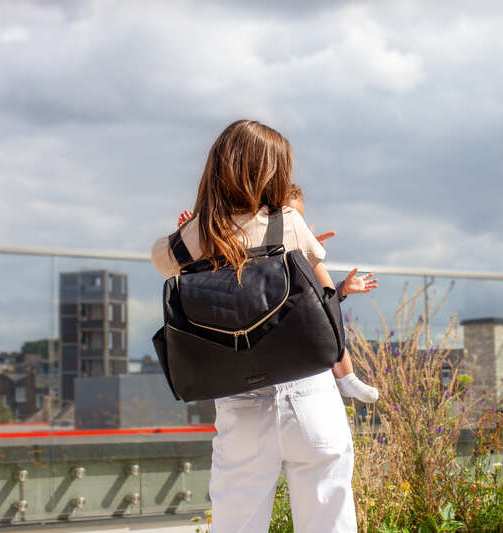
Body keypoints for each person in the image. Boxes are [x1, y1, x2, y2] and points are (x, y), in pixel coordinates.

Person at [151, 120, 357, 532]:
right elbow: (325, 293)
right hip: (309, 396)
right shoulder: (289, 223)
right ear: (270, 172)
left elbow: (163, 259)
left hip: (240, 404)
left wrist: (192, 227)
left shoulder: (185, 241)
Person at [176, 183, 380, 404]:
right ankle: (346, 377)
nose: (293, 224)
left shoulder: (297, 247)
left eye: (298, 220)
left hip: (293, 321)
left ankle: (346, 376)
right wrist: (190, 231)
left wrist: (339, 289)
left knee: (317, 278)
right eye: (289, 218)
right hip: (264, 320)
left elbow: (319, 300)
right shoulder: (251, 243)